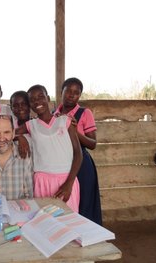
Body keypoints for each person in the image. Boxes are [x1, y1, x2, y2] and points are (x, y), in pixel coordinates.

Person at [16, 84, 82, 212]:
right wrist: (19, 137)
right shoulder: (31, 125)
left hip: (66, 179)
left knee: (69, 219)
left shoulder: (65, 121)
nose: (37, 101)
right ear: (30, 104)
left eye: (41, 97)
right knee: (46, 221)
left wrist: (69, 183)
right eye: (32, 100)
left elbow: (78, 154)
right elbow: (8, 133)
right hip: (42, 181)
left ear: (48, 98)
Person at [54, 77, 102, 225]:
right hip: (61, 164)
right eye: (68, 91)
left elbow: (93, 144)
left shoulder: (84, 113)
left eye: (76, 92)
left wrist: (75, 132)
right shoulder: (53, 114)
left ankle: (88, 235)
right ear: (61, 92)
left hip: (81, 165)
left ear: (79, 96)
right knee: (65, 201)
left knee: (84, 201)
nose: (71, 95)